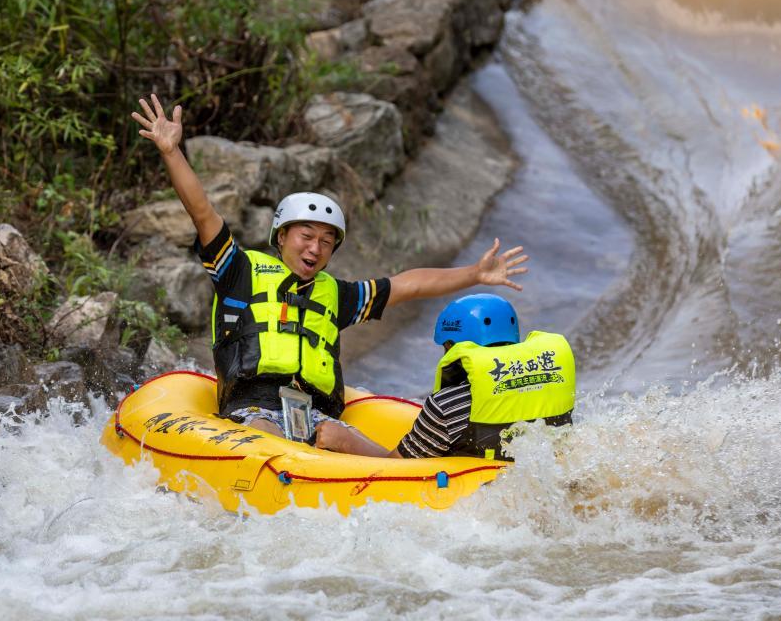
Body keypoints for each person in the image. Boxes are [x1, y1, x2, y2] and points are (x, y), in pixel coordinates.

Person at [131, 95, 530, 455]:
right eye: (306, 236)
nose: (315, 248)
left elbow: (408, 285)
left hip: (317, 414)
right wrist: (172, 151)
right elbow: (203, 212)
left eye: (326, 241)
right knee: (266, 432)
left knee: (338, 438)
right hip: (252, 409)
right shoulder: (239, 270)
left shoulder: (336, 294)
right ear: (281, 236)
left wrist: (475, 273)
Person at [375, 293, 575, 460]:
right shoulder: (552, 384)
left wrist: (354, 440)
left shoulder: (446, 405)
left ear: (451, 347)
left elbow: (394, 467)